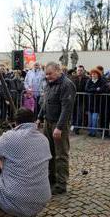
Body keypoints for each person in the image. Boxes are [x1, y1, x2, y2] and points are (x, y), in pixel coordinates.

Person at [0, 108, 52, 217]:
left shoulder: (10, 137)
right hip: (41, 200)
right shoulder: (44, 139)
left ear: (16, 122)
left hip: (15, 201)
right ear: (33, 121)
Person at [37, 62, 76, 194]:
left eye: (50, 74)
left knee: (60, 155)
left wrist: (59, 127)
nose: (47, 76)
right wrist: (39, 117)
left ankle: (61, 184)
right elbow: (45, 102)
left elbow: (67, 108)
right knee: (49, 153)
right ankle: (51, 179)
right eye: (46, 74)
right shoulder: (49, 83)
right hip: (48, 122)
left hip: (59, 124)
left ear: (58, 71)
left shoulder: (67, 85)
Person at [85, 68, 110, 137]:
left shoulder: (101, 81)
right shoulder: (89, 81)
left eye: (95, 74)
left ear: (98, 75)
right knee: (90, 119)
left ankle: (93, 132)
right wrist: (96, 89)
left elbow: (102, 89)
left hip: (98, 103)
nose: (93, 75)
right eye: (92, 74)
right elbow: (86, 89)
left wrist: (93, 90)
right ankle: (90, 131)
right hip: (90, 102)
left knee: (94, 118)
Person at [70, 65, 89, 134]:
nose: (79, 72)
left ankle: (77, 128)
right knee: (73, 114)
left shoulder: (87, 79)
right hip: (73, 99)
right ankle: (73, 126)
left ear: (83, 71)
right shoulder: (72, 78)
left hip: (82, 99)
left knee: (80, 114)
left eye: (81, 70)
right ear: (76, 71)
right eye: (78, 70)